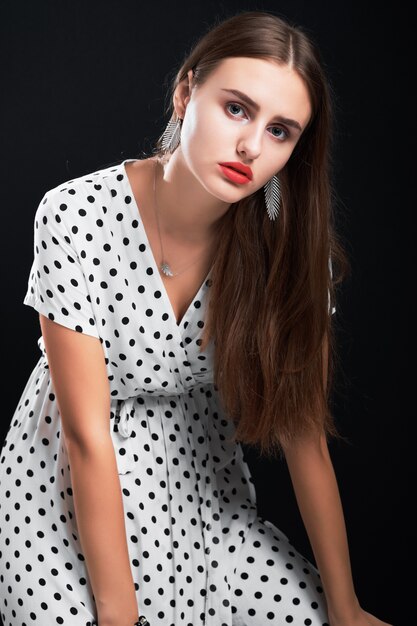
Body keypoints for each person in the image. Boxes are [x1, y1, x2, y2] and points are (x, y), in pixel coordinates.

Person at [0, 9, 392, 626]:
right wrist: (119, 614)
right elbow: (86, 437)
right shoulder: (74, 214)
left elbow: (303, 435)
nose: (252, 147)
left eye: (282, 131)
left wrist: (345, 606)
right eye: (237, 108)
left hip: (200, 481)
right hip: (63, 487)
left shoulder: (289, 256)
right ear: (187, 92)